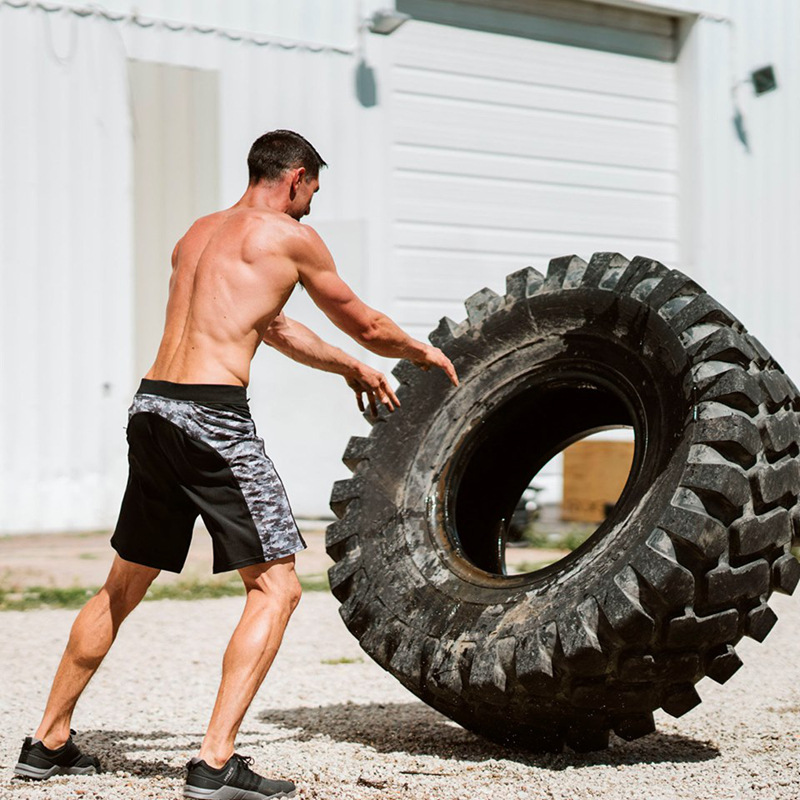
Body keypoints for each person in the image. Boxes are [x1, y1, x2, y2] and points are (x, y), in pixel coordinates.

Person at [14, 130, 459, 800]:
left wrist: (356, 370)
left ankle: (46, 742)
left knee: (124, 582)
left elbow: (274, 327)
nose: (311, 204)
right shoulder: (288, 236)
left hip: (153, 409)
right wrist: (421, 354)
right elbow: (364, 321)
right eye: (312, 190)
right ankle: (215, 763)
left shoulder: (199, 234)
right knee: (276, 587)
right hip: (212, 419)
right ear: (296, 177)